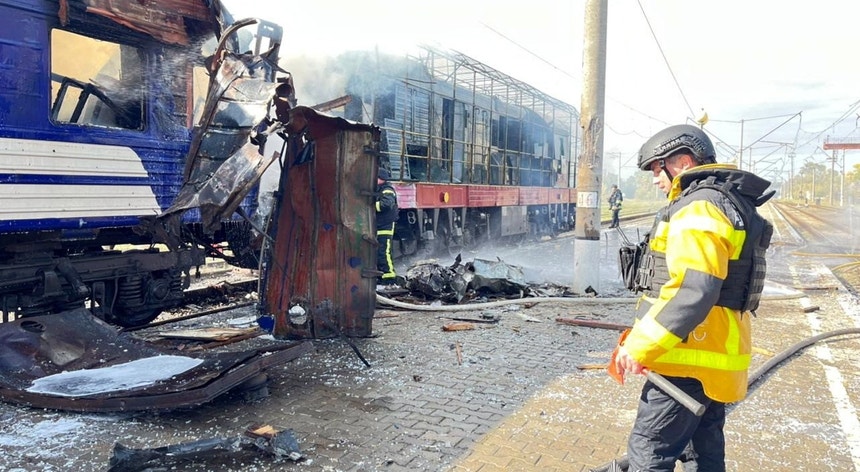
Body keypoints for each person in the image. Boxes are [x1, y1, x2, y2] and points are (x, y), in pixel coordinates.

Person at [610, 124, 773, 471]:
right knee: (705, 454)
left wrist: (640, 347)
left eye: (658, 169)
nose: (655, 180)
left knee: (649, 453)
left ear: (681, 162)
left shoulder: (698, 208)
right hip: (711, 357)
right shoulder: (725, 201)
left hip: (686, 360)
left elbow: (693, 291)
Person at [375, 167, 399, 284]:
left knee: (384, 252)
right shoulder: (380, 189)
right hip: (379, 225)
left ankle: (389, 277)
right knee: (380, 252)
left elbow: (386, 204)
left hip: (385, 226)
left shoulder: (387, 190)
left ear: (381, 178)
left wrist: (370, 206)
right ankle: (382, 275)